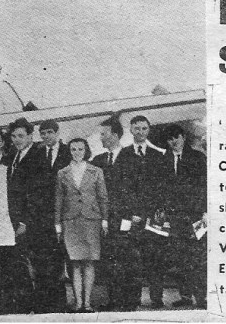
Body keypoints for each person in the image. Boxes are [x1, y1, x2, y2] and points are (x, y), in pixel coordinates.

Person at [6, 117, 64, 313]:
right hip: (18, 219)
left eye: (21, 136)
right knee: (24, 264)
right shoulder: (14, 155)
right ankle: (28, 305)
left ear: (30, 136)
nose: (17, 139)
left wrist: (25, 221)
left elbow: (38, 193)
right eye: (13, 136)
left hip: (34, 221)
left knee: (42, 265)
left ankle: (47, 308)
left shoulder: (38, 157)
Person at [116, 115, 170, 309]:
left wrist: (158, 214)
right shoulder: (124, 155)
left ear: (149, 130)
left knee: (155, 259)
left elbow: (163, 188)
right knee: (133, 261)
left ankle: (157, 298)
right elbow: (121, 187)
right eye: (137, 128)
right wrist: (131, 212)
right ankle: (133, 299)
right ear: (131, 130)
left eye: (144, 128)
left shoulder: (158, 156)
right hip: (134, 217)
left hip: (153, 216)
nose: (140, 132)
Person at [54, 138, 108, 312]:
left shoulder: (96, 171)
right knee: (75, 263)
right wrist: (57, 225)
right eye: (73, 149)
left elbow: (103, 197)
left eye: (80, 149)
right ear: (69, 151)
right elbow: (58, 200)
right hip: (70, 221)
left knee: (90, 262)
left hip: (92, 220)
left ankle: (87, 303)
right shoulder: (62, 173)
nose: (77, 152)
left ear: (86, 151)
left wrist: (105, 220)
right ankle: (78, 303)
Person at [89, 117, 134, 311]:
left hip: (125, 219)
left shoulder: (132, 157)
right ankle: (114, 300)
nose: (101, 138)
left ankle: (129, 302)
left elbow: (138, 189)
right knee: (109, 260)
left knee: (127, 260)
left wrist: (132, 216)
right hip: (105, 219)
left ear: (115, 135)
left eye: (103, 134)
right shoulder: (98, 161)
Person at [163, 124, 207, 309]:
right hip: (175, 216)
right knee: (180, 257)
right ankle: (186, 296)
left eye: (177, 137)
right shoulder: (164, 159)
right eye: (170, 139)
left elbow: (204, 186)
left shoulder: (197, 157)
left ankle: (201, 298)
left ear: (184, 138)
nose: (174, 141)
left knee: (197, 257)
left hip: (195, 215)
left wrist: (205, 211)